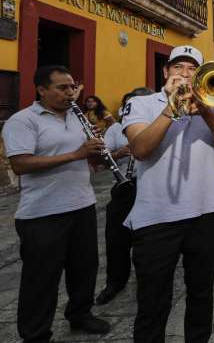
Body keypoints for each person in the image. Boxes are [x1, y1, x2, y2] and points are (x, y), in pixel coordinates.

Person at [122, 45, 214, 342]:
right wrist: (170, 109)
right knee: (153, 302)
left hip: (206, 212)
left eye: (191, 69)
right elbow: (141, 150)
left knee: (201, 295)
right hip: (157, 217)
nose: (184, 74)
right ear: (165, 72)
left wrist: (207, 111)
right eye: (178, 67)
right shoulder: (142, 104)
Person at [2, 65, 111, 341]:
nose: (70, 93)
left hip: (82, 204)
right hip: (42, 213)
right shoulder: (24, 120)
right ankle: (35, 333)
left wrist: (102, 153)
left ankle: (80, 314)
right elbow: (21, 163)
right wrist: (76, 154)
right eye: (62, 88)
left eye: (72, 87)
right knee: (41, 279)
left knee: (84, 268)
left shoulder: (77, 118)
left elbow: (89, 159)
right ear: (41, 89)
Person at [96, 87, 155, 306]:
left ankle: (148, 279)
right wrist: (118, 153)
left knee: (149, 238)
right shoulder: (116, 129)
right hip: (124, 187)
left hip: (151, 187)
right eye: (130, 103)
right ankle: (115, 281)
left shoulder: (159, 123)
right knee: (116, 237)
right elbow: (101, 159)